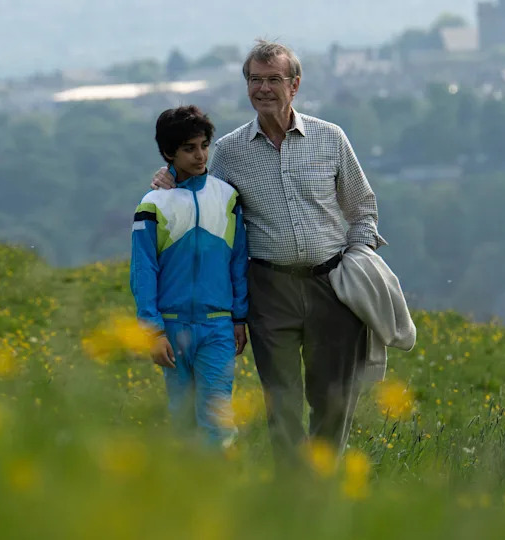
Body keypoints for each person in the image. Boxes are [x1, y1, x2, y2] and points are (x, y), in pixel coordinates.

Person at [150, 40, 385, 464]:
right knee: (281, 401)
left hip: (333, 287)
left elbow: (363, 209)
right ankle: (291, 495)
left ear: (294, 85)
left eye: (273, 79)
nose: (263, 89)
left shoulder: (331, 139)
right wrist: (169, 176)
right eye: (255, 80)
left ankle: (323, 486)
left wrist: (359, 259)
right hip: (269, 289)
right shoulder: (230, 151)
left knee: (333, 399)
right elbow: (205, 194)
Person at [132, 105, 249, 447]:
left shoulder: (228, 198)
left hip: (218, 326)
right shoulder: (152, 204)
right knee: (181, 421)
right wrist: (151, 331)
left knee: (217, 419)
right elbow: (143, 271)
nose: (200, 156)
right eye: (189, 148)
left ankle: (222, 493)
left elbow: (238, 262)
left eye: (203, 145)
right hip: (172, 327)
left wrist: (239, 318)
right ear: (169, 152)